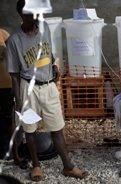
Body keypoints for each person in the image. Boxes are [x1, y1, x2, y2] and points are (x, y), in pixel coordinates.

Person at [5, 0, 88, 181]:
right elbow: (14, 75)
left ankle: (68, 166)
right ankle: (36, 165)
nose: (36, 17)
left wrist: (54, 66)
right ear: (22, 14)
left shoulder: (45, 28)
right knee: (30, 130)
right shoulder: (14, 40)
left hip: (49, 86)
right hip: (28, 89)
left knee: (57, 128)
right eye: (30, 13)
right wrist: (19, 101)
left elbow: (49, 53)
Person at [0, 28, 28, 169]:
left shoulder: (3, 33)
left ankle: (16, 156)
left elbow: (14, 54)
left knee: (8, 121)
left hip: (5, 86)